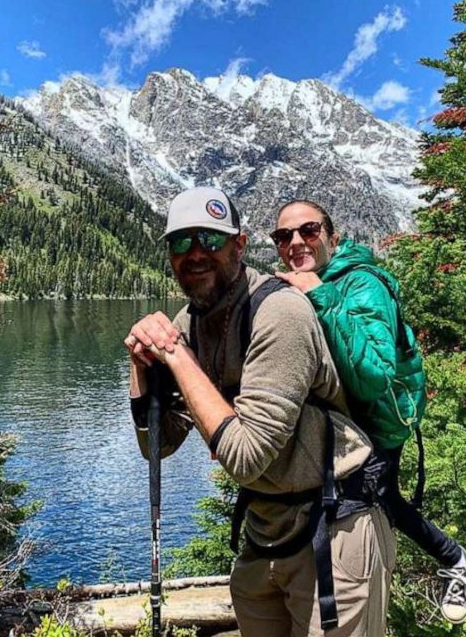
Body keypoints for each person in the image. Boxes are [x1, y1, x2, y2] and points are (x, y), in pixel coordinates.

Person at [124, 186, 395, 636]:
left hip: (336, 524)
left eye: (211, 240)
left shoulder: (279, 313)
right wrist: (141, 368)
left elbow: (247, 455)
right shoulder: (188, 323)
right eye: (180, 242)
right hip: (264, 530)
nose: (195, 254)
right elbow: (159, 444)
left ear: (240, 245)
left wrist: (176, 355)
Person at [271, 200, 466, 625]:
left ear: (332, 237)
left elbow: (373, 376)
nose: (295, 242)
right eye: (283, 236)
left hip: (377, 425)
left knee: (371, 502)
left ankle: (451, 560)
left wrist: (320, 296)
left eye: (308, 231)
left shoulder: (361, 284)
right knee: (374, 501)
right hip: (344, 423)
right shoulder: (315, 282)